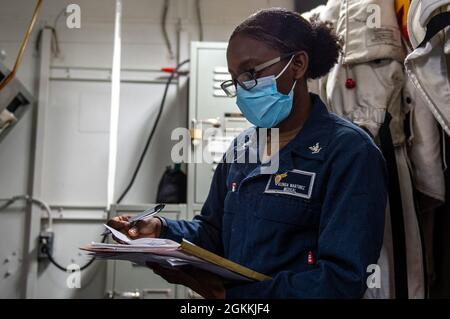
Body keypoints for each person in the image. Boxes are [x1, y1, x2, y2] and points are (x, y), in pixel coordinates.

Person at [107, 8, 387, 299]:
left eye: (251, 73)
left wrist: (237, 298)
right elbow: (212, 232)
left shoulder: (349, 153)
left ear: (297, 64)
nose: (241, 88)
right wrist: (162, 230)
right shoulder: (242, 149)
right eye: (234, 78)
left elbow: (341, 280)